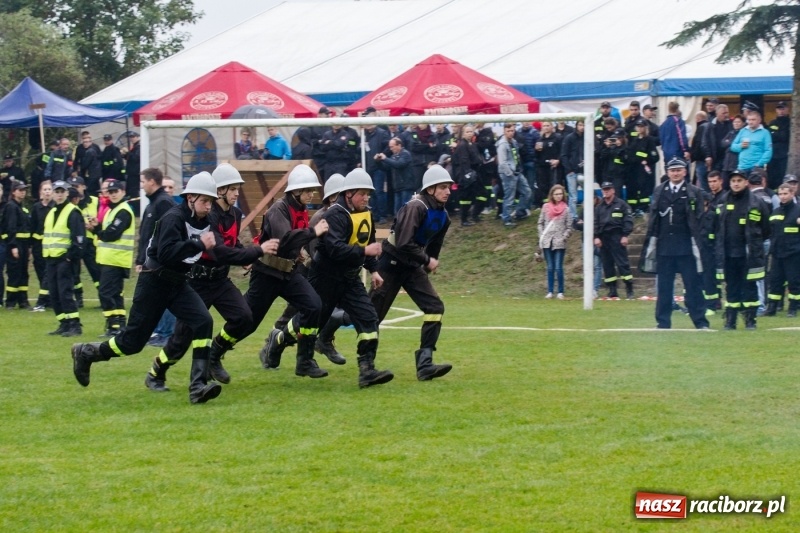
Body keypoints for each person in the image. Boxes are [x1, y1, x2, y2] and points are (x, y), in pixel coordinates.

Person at [70, 172, 224, 404]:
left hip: (178, 283)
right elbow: (166, 253)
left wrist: (254, 254)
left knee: (203, 321)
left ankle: (198, 387)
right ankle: (87, 352)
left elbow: (217, 249)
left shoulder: (206, 221)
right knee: (131, 344)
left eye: (211, 202)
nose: (208, 206)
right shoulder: (173, 217)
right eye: (205, 201)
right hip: (154, 281)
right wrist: (197, 245)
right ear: (190, 198)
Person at [144, 164, 278, 392]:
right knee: (181, 339)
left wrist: (245, 256)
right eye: (233, 189)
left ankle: (215, 353)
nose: (237, 194)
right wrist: (256, 251)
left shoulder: (235, 214)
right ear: (220, 191)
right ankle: (156, 372)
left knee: (244, 317)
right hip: (197, 282)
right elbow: (221, 251)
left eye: (237, 189)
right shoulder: (209, 215)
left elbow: (231, 243)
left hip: (220, 280)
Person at [273, 168, 393, 388]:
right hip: (325, 278)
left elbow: (368, 242)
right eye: (362, 194)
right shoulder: (335, 215)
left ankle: (367, 370)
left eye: (368, 194)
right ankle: (279, 340)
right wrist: (364, 253)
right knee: (310, 323)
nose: (366, 198)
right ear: (348, 194)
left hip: (350, 279)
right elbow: (335, 249)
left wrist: (374, 270)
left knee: (369, 318)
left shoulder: (365, 213)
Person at [369, 165, 454, 380]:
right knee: (370, 316)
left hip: (411, 266)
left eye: (449, 187)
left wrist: (428, 263)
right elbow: (404, 243)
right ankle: (364, 364)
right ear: (431, 189)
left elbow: (434, 245)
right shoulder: (416, 207)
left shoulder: (444, 216)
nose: (448, 191)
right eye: (443, 187)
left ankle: (425, 365)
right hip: (391, 264)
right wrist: (427, 260)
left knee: (435, 307)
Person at [245, 164, 330, 377]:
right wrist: (313, 232)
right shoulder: (278, 209)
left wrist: (297, 251)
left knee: (313, 306)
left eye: (312, 190)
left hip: (287, 272)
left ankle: (305, 362)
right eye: (308, 190)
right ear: (296, 191)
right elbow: (285, 239)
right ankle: (215, 353)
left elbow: (291, 240)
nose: (312, 194)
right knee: (245, 322)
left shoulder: (300, 210)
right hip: (266, 273)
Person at [640, 158, 709, 329]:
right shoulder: (659, 191)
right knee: (664, 289)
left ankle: (700, 322)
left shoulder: (694, 192)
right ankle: (663, 323)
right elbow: (654, 219)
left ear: (685, 172)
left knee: (693, 287)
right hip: (664, 248)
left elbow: (700, 220)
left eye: (679, 170)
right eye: (672, 170)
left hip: (686, 247)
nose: (675, 173)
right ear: (667, 172)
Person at [714, 170, 771, 329]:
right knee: (731, 287)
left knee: (749, 288)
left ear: (746, 182)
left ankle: (750, 320)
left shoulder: (756, 202)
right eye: (733, 181)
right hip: (728, 254)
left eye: (739, 180)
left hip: (749, 254)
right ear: (730, 183)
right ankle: (730, 321)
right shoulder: (722, 201)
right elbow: (716, 225)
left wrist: (755, 243)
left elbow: (766, 229)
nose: (736, 183)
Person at [85, 179, 134, 336]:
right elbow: (106, 233)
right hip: (111, 259)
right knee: (115, 293)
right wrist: (96, 228)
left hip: (115, 260)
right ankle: (120, 325)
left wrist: (96, 231)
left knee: (105, 292)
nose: (113, 195)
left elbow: (111, 234)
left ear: (123, 192)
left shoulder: (123, 211)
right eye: (110, 192)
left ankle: (113, 325)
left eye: (116, 191)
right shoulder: (113, 210)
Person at [136, 168, 178, 347]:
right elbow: (145, 235)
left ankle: (167, 334)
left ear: (152, 181)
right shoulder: (151, 204)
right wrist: (140, 259)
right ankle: (157, 331)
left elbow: (170, 233)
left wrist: (162, 257)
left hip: (161, 263)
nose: (141, 185)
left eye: (142, 181)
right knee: (153, 298)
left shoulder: (163, 203)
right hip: (149, 262)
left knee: (164, 298)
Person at [44, 181, 85, 337]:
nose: (59, 194)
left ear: (67, 193)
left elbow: (79, 239)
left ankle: (75, 324)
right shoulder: (52, 211)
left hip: (64, 259)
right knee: (54, 293)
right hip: (51, 258)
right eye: (57, 191)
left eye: (62, 191)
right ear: (53, 194)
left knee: (65, 292)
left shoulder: (73, 212)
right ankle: (64, 323)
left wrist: (70, 258)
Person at [594, 181, 634, 299]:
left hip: (617, 237)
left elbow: (628, 221)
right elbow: (595, 223)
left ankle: (629, 288)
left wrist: (625, 235)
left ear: (613, 190)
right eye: (604, 189)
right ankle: (612, 290)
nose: (605, 191)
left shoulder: (622, 205)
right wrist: (596, 237)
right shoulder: (599, 207)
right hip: (604, 238)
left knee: (622, 264)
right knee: (607, 265)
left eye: (608, 189)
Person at [766, 183, 800, 317]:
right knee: (775, 281)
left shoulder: (798, 211)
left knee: (794, 281)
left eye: (786, 194)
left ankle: (793, 307)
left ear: (792, 194)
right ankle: (772, 308)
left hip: (793, 253)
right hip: (777, 253)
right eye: (780, 194)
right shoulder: (775, 212)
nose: (783, 197)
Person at [69, 176, 101, 309]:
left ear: (84, 187)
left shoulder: (94, 201)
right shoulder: (70, 203)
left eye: (77, 186)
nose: (75, 188)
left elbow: (103, 218)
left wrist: (94, 225)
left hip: (90, 241)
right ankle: (78, 298)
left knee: (96, 271)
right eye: (72, 186)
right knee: (74, 272)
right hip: (75, 241)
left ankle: (104, 297)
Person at [2, 180, 32, 309]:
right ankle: (11, 301)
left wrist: (29, 246)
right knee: (14, 272)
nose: (23, 192)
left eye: (24, 190)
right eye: (20, 190)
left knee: (23, 272)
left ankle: (23, 300)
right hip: (16, 244)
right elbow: (10, 228)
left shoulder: (22, 207)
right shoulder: (11, 206)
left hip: (24, 244)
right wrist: (13, 246)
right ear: (14, 192)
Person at [538, 184, 572, 299]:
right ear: (552, 195)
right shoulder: (546, 207)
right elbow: (540, 223)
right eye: (556, 194)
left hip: (559, 242)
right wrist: (542, 235)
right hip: (547, 241)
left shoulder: (566, 209)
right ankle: (550, 291)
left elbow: (569, 227)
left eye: (560, 194)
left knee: (558, 267)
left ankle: (560, 291)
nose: (558, 196)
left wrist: (564, 237)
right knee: (550, 267)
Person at [496, 123, 532, 228]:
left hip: (517, 171)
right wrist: (510, 174)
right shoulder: (502, 144)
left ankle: (518, 212)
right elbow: (502, 163)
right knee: (509, 197)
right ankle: (507, 219)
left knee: (527, 192)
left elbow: (516, 156)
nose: (511, 133)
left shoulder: (514, 142)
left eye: (512, 130)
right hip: (508, 174)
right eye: (508, 131)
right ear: (504, 131)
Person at [626, 119, 659, 216]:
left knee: (644, 190)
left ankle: (644, 208)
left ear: (645, 128)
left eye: (642, 126)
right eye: (638, 126)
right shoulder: (634, 140)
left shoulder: (649, 141)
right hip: (634, 170)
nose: (640, 128)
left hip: (643, 170)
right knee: (633, 189)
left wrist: (647, 160)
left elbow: (655, 156)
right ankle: (633, 208)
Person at [30, 182, 55, 310]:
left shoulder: (55, 207)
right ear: (40, 192)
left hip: (51, 245)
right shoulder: (36, 207)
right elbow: (32, 226)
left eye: (49, 189)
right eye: (45, 189)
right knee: (40, 272)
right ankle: (47, 299)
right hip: (38, 246)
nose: (47, 192)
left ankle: (43, 300)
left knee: (48, 272)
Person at [452, 125, 483, 226]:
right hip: (466, 176)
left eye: (471, 131)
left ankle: (474, 214)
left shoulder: (472, 144)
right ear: (463, 133)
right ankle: (464, 219)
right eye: (467, 132)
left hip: (473, 173)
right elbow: (464, 162)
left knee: (481, 194)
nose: (470, 133)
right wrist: (468, 175)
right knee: (466, 198)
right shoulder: (462, 145)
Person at [376, 137, 415, 215]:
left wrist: (385, 158)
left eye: (392, 146)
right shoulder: (393, 156)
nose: (390, 149)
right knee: (397, 212)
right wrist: (378, 162)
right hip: (397, 187)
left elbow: (399, 164)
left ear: (399, 145)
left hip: (406, 187)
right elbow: (385, 168)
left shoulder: (405, 154)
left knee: (406, 212)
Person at [730, 111, 772, 176]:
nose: (750, 122)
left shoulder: (765, 133)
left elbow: (768, 151)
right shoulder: (743, 130)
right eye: (749, 120)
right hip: (742, 167)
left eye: (753, 120)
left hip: (757, 168)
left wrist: (759, 164)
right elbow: (732, 147)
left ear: (759, 120)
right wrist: (740, 146)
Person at [560, 121, 584, 219]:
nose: (582, 127)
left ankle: (587, 215)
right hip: (572, 172)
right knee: (573, 196)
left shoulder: (588, 137)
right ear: (576, 126)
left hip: (584, 171)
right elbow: (564, 155)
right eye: (580, 125)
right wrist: (569, 169)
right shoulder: (569, 138)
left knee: (590, 194)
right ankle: (573, 218)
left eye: (584, 125)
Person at [767, 102, 790, 190]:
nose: (781, 111)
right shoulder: (773, 122)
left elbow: (785, 136)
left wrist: (776, 134)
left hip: (784, 155)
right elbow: (770, 136)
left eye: (783, 108)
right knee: (772, 177)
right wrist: (779, 135)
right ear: (776, 110)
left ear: (787, 109)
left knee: (782, 176)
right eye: (779, 109)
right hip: (772, 156)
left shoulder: (790, 123)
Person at [75, 131, 102, 195]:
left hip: (93, 172)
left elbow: (100, 157)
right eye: (84, 139)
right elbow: (76, 159)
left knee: (92, 189)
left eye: (88, 138)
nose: (86, 142)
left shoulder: (94, 147)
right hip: (83, 172)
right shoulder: (79, 148)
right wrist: (76, 169)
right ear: (82, 139)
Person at [124, 131, 141, 215]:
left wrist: (128, 153)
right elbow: (130, 158)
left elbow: (136, 158)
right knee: (130, 192)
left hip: (135, 174)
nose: (132, 138)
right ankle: (132, 209)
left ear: (137, 137)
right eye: (130, 137)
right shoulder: (134, 147)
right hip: (131, 173)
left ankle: (137, 211)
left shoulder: (139, 147)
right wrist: (124, 155)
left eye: (133, 136)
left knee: (134, 193)